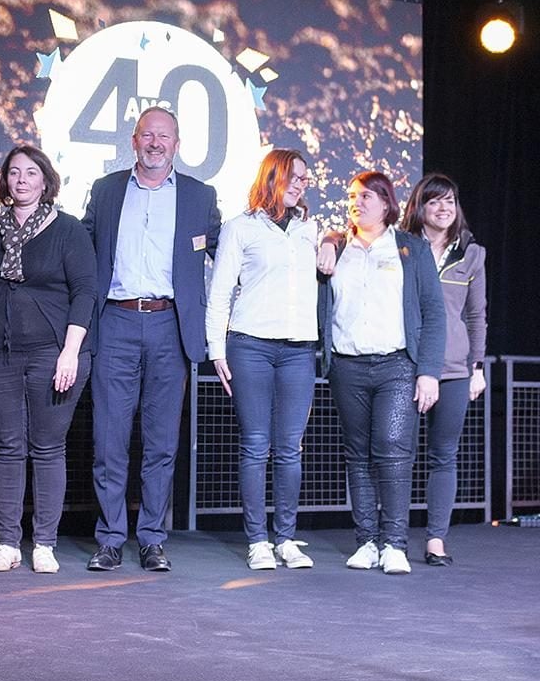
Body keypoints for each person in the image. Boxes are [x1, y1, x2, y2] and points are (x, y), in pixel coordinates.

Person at [83, 106, 221, 572]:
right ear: (134, 141)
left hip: (170, 327)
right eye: (148, 135)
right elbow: (82, 252)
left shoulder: (201, 197)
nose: (156, 143)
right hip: (116, 323)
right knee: (109, 440)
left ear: (177, 145)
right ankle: (109, 539)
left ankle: (152, 539)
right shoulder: (105, 191)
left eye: (165, 136)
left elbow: (232, 249)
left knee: (161, 444)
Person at [0, 145, 96, 574]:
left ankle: (44, 543)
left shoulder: (68, 230)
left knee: (47, 448)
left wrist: (70, 352)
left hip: (53, 353)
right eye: (13, 173)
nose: (21, 179)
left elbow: (85, 292)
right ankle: (6, 542)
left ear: (45, 180)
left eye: (30, 172)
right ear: (5, 180)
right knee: (7, 447)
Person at [318, 171, 445, 574]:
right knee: (357, 454)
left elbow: (434, 313)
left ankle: (393, 543)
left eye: (368, 196)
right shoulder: (336, 247)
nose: (358, 202)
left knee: (392, 450)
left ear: (388, 203)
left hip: (396, 365)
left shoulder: (410, 248)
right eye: (353, 195)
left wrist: (428, 371)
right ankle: (366, 542)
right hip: (347, 364)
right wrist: (327, 242)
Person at [206, 149, 318, 571]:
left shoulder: (308, 230)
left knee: (290, 448)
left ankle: (286, 538)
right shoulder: (240, 229)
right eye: (295, 176)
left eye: (306, 179)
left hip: (299, 349)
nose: (301, 184)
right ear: (273, 176)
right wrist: (216, 349)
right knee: (256, 445)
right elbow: (219, 294)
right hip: (250, 345)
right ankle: (258, 541)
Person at [403, 174, 487, 564]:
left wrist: (476, 366)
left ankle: (435, 540)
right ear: (420, 206)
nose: (443, 209)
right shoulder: (401, 247)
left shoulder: (472, 254)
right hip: (406, 364)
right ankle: (391, 538)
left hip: (454, 369)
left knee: (443, 455)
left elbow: (476, 315)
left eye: (450, 202)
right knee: (395, 454)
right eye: (435, 201)